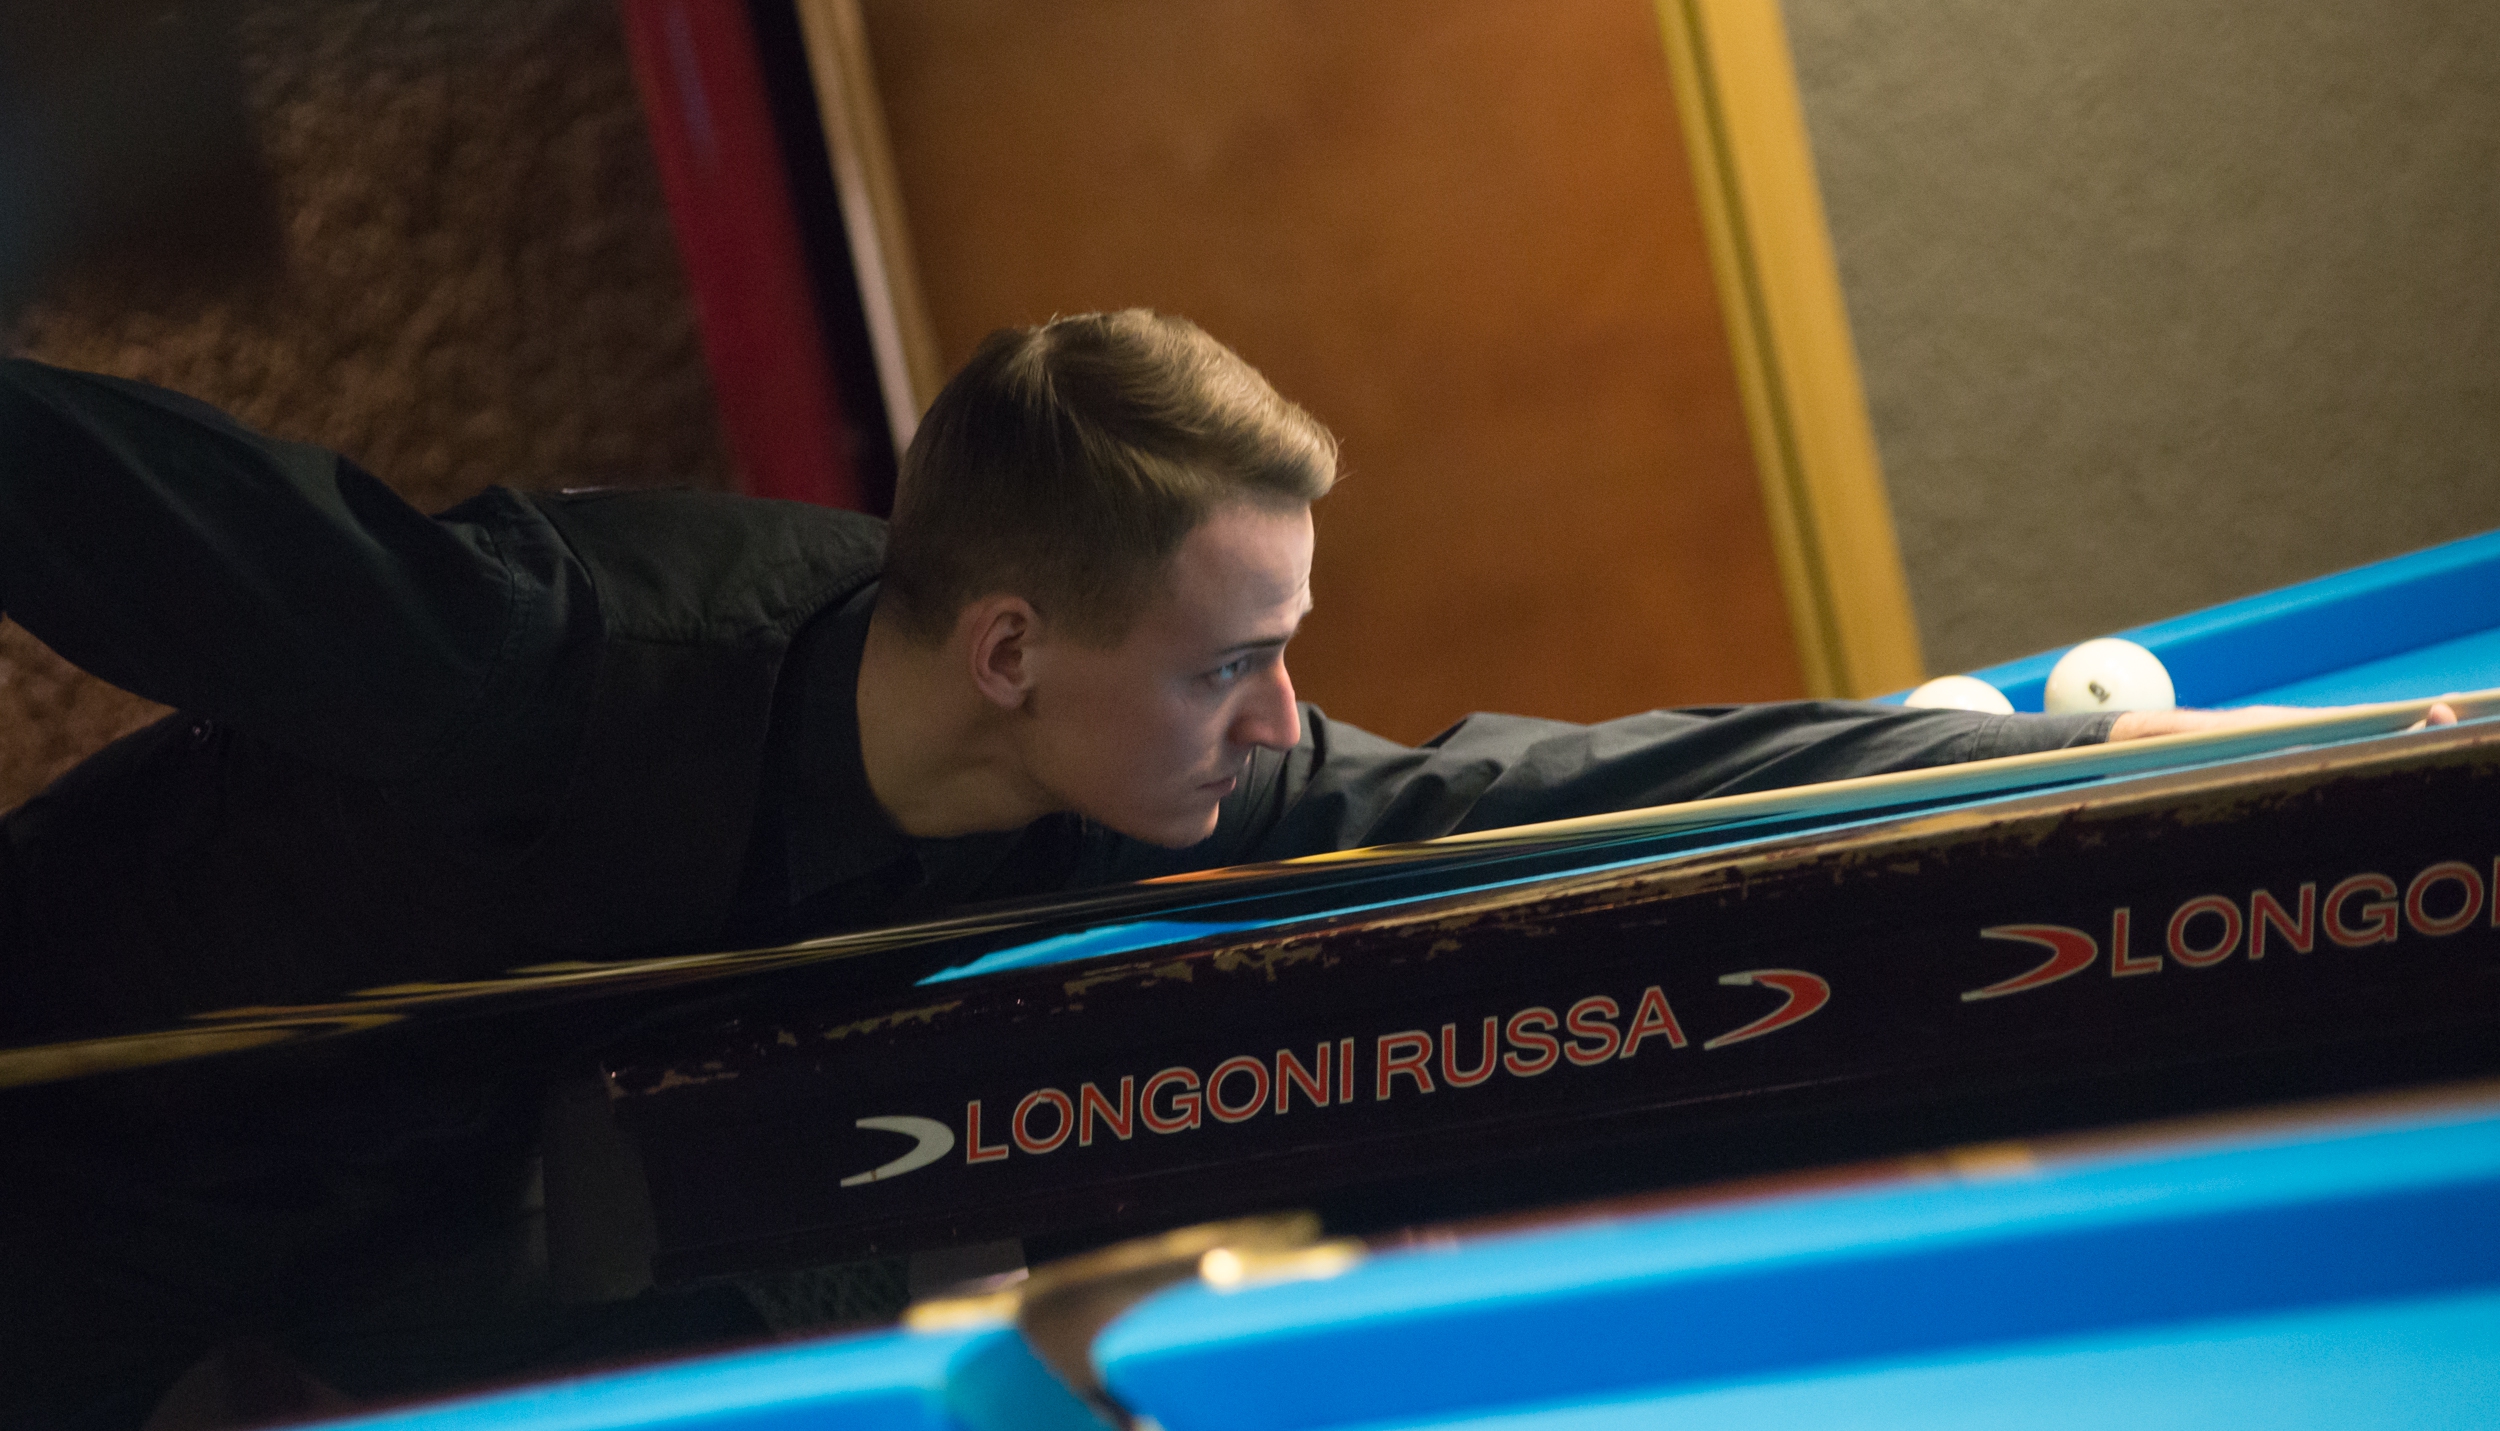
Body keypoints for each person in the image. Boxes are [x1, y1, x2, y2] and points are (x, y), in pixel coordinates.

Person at [0, 309, 2371, 1422]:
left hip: (471, 1237)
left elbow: (1545, 792)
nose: (1276, 720)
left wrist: (2029, 763)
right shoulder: (541, 652)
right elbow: (92, 494)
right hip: (86, 1132)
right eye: (1231, 662)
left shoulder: (1152, 778)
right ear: (1010, 648)